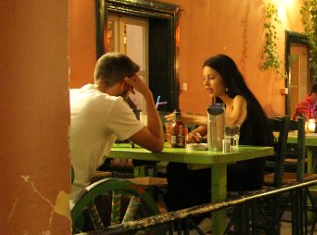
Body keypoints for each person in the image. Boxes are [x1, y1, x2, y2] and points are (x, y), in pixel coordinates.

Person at [165, 54, 273, 210]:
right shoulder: (219, 106)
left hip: (245, 170)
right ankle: (189, 220)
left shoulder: (240, 99)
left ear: (226, 78)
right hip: (226, 165)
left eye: (211, 78)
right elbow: (202, 129)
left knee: (183, 172)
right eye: (204, 78)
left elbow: (233, 122)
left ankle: (202, 217)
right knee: (177, 166)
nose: (206, 83)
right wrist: (191, 135)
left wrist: (191, 118)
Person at [69, 52, 165, 201]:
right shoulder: (111, 104)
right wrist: (147, 94)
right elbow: (157, 144)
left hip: (50, 195)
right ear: (126, 83)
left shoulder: (72, 95)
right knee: (140, 210)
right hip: (74, 202)